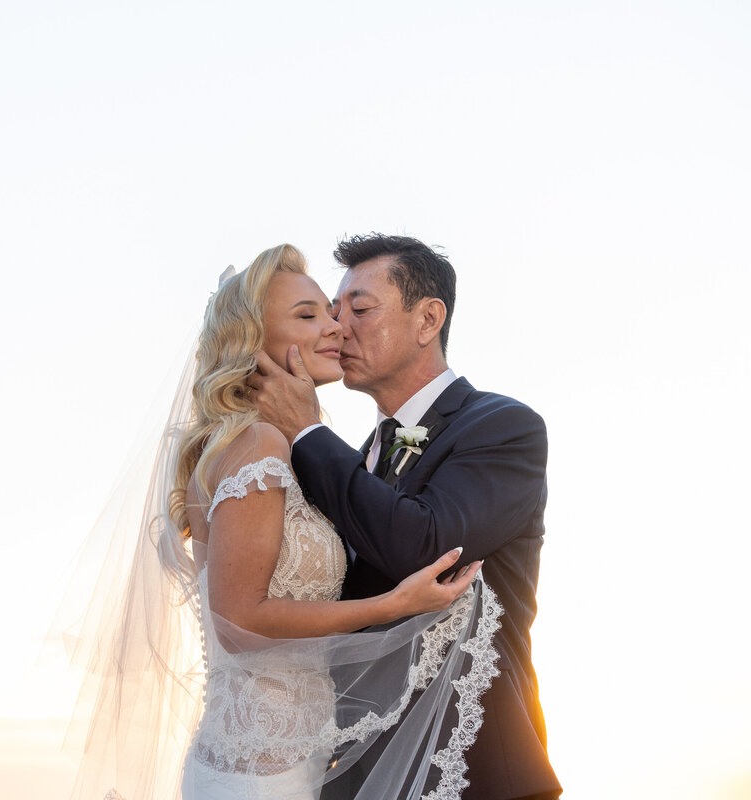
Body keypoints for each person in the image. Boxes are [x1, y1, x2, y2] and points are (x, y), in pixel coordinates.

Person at [65, 244, 502, 800]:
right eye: (310, 314)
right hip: (258, 774)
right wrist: (393, 606)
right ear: (253, 341)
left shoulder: (288, 450)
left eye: (340, 310)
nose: (335, 327)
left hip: (297, 761)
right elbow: (238, 619)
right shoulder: (256, 444)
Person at [249, 234, 562, 800]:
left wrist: (308, 432)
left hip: (473, 771)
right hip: (358, 769)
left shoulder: (502, 428)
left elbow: (424, 547)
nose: (340, 328)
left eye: (360, 310)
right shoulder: (349, 455)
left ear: (427, 320)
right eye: (335, 313)